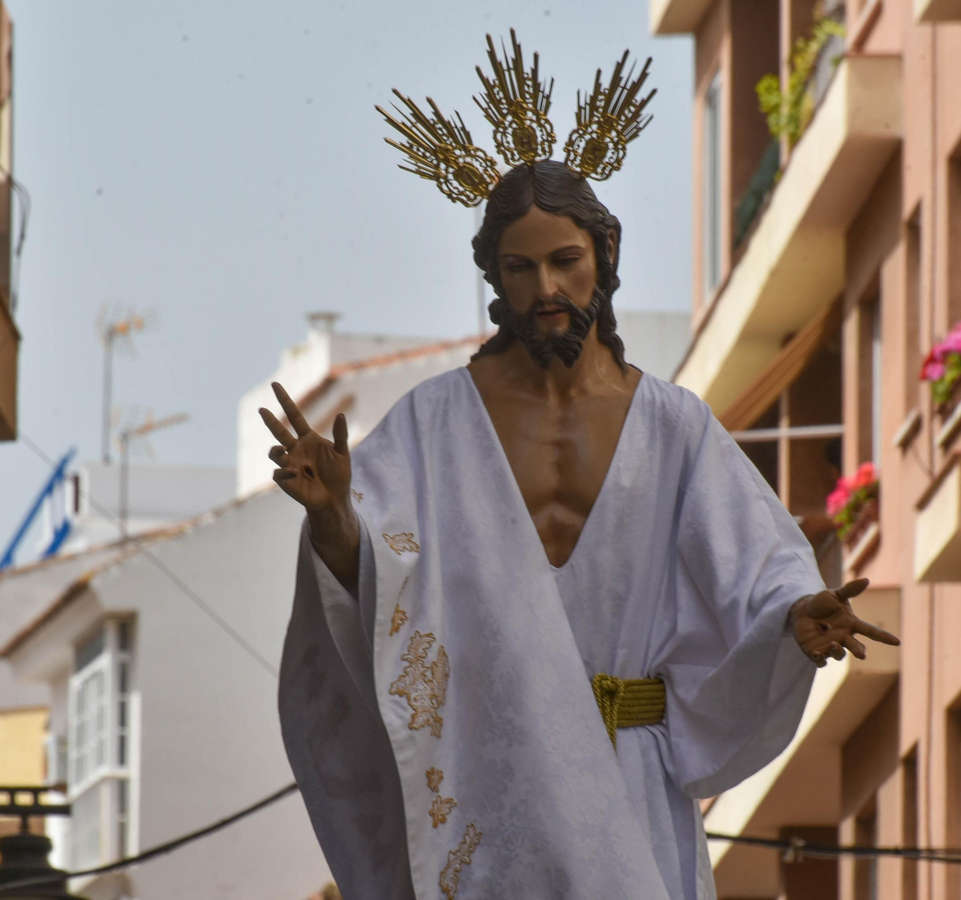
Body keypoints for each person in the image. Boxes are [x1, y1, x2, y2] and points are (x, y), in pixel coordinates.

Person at [270, 35, 898, 900]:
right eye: (520, 268)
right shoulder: (432, 424)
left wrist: (796, 614)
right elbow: (374, 580)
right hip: (497, 785)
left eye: (564, 261)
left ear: (604, 252)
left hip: (630, 782)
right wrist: (333, 516)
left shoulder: (673, 427)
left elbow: (756, 563)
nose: (545, 290)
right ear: (493, 277)